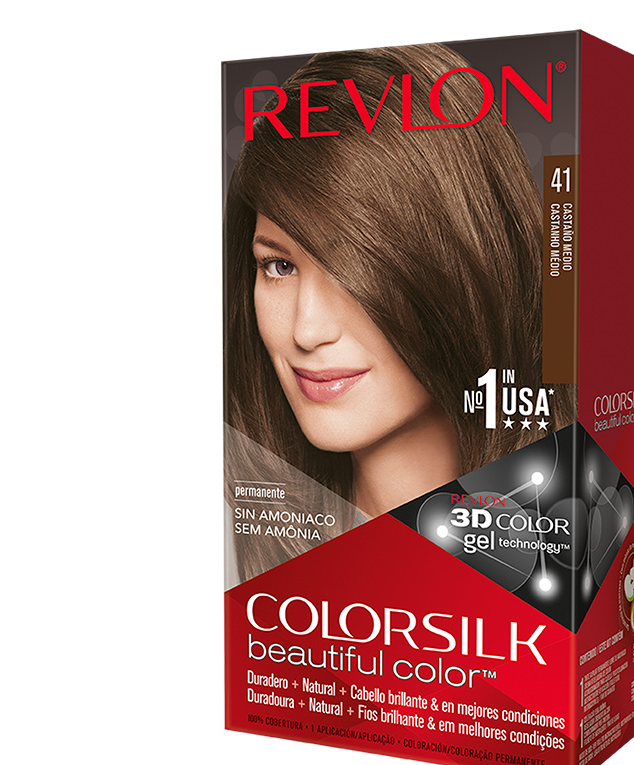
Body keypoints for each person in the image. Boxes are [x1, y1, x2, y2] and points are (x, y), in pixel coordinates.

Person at [224, 43, 573, 580]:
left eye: (355, 267)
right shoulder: (232, 559)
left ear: (467, 266)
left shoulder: (579, 545)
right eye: (279, 266)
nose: (306, 330)